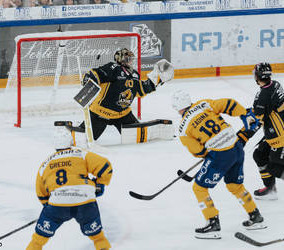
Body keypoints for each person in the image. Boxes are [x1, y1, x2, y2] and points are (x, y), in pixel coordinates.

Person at [171, 90, 266, 239]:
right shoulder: (204, 104)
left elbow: (197, 150)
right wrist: (244, 114)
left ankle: (212, 223)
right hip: (236, 147)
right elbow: (229, 103)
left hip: (220, 154)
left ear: (177, 108)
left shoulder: (183, 129)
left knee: (199, 188)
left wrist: (207, 154)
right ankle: (255, 216)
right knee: (235, 186)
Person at [26, 122, 113, 250]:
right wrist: (99, 184)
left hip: (58, 204)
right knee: (98, 237)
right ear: (71, 141)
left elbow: (41, 192)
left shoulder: (46, 163)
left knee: (39, 239)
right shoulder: (80, 154)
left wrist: (48, 207)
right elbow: (105, 167)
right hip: (85, 200)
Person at [72, 48, 173, 142]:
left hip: (123, 114)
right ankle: (68, 132)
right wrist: (89, 79)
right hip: (101, 112)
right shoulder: (114, 68)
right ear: (121, 59)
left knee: (137, 138)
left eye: (131, 58)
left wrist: (156, 80)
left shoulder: (134, 74)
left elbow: (141, 89)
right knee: (83, 139)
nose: (130, 61)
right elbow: (97, 74)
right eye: (128, 58)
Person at [250, 62, 284, 200]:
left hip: (280, 136)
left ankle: (270, 187)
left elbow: (257, 119)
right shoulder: (275, 84)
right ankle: (270, 189)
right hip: (276, 132)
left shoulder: (264, 95)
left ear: (258, 76)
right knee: (259, 155)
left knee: (274, 166)